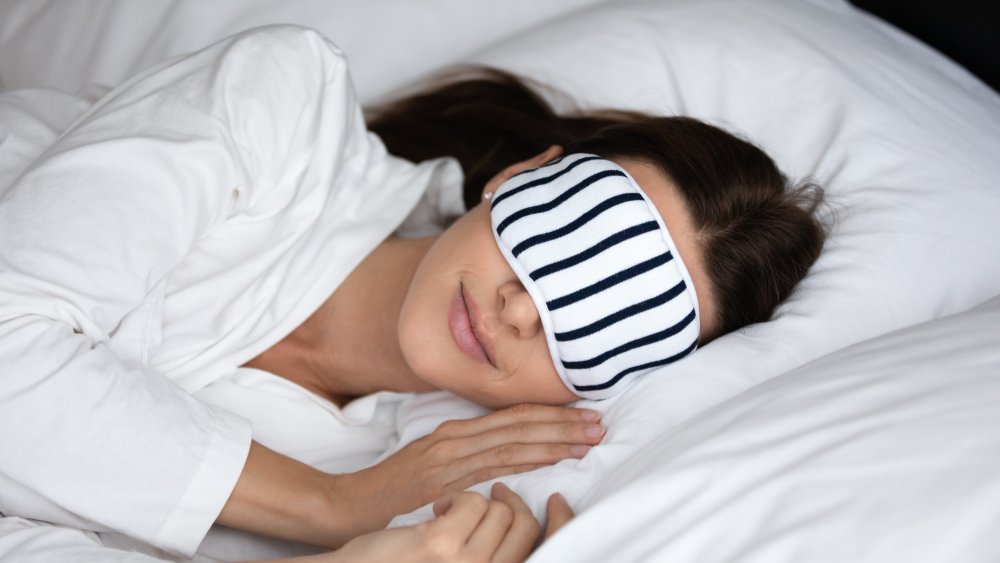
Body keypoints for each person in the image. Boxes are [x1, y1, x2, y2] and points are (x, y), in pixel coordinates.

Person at [0, 25, 824, 562]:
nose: (522, 308)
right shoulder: (281, 108)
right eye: (568, 231)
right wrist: (328, 507)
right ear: (522, 174)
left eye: (602, 320)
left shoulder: (419, 504)